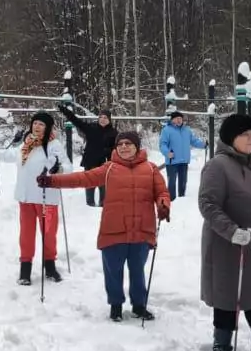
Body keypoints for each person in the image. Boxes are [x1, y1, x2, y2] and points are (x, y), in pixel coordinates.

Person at [39, 130, 169, 322]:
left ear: (137, 146)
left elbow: (162, 192)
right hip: (113, 230)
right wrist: (52, 181)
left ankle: (139, 306)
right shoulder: (109, 168)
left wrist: (163, 204)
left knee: (138, 271)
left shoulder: (151, 169)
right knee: (113, 271)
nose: (124, 147)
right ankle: (115, 306)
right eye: (120, 144)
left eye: (128, 144)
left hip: (141, 230)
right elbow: (82, 179)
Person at [198, 114, 251, 351]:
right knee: (227, 294)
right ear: (231, 138)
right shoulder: (217, 166)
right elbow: (208, 204)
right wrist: (232, 230)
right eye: (245, 135)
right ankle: (222, 343)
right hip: (226, 244)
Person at [0, 111, 72, 285]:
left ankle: (50, 266)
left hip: (46, 198)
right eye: (35, 123)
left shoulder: (54, 144)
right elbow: (12, 155)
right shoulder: (26, 144)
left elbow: (67, 166)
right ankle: (25, 269)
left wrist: (58, 169)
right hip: (26, 197)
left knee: (49, 234)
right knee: (26, 235)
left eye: (41, 124)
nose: (36, 126)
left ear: (48, 127)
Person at [57, 102, 118, 207]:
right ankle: (89, 204)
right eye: (101, 117)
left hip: (104, 163)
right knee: (89, 184)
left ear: (109, 120)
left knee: (103, 185)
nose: (103, 119)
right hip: (90, 161)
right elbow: (76, 121)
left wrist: (110, 159)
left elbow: (115, 149)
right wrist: (65, 110)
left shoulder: (113, 133)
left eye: (105, 118)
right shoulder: (91, 128)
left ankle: (102, 205)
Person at [159, 111, 206, 200]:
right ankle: (171, 200)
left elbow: (194, 141)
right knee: (172, 182)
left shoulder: (186, 130)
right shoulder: (167, 130)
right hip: (172, 160)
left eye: (180, 118)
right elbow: (162, 144)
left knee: (183, 181)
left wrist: (203, 145)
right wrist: (167, 152)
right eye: (177, 119)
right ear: (172, 120)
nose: (179, 120)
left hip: (184, 160)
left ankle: (182, 199)